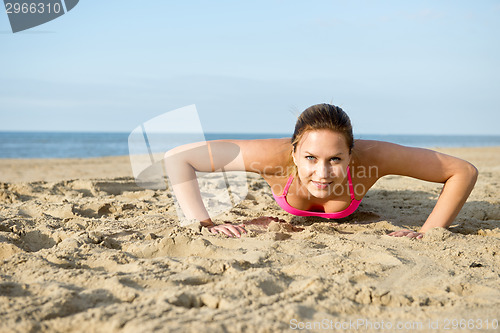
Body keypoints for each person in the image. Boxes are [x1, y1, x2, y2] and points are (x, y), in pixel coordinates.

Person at [164, 104, 478, 239]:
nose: (322, 173)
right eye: (311, 157)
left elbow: (463, 171)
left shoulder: (375, 157)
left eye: (335, 159)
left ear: (351, 154)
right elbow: (177, 158)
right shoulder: (271, 157)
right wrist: (203, 223)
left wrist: (427, 232)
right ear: (294, 152)